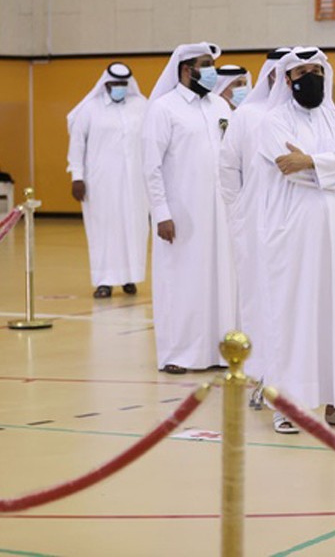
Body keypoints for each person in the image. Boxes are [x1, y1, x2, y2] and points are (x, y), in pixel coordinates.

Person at [256, 46, 335, 433]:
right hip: (291, 232)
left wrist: (311, 161)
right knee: (292, 313)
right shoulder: (272, 122)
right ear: (287, 79)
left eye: (316, 70)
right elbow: (288, 168)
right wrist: (329, 167)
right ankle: (287, 406)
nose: (310, 77)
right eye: (301, 71)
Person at [142, 42, 237, 374]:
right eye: (206, 64)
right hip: (180, 214)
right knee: (180, 281)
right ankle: (177, 354)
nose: (212, 71)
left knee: (221, 280)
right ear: (186, 69)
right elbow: (151, 166)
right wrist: (161, 212)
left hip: (221, 212)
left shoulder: (220, 108)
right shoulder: (163, 109)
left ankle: (219, 351)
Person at [219, 47, 292, 397]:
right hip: (257, 226)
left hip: (297, 228)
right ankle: (261, 376)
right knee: (260, 300)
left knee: (294, 304)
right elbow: (228, 169)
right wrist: (240, 214)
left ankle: (292, 379)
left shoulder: (310, 114)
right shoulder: (247, 114)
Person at [66, 62, 148, 299]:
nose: (119, 88)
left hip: (135, 184)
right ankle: (104, 281)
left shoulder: (141, 106)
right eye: (115, 84)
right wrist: (77, 177)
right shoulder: (90, 109)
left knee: (134, 228)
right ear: (106, 83)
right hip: (100, 183)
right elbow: (77, 145)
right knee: (103, 231)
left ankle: (130, 277)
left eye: (124, 84)